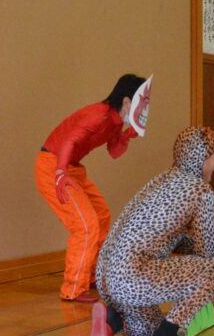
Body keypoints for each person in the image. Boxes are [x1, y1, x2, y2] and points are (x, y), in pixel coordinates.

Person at [89, 126, 214, 336]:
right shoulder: (200, 190)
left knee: (148, 331)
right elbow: (205, 252)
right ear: (203, 159)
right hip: (133, 277)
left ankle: (113, 320)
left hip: (107, 279)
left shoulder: (161, 180)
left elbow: (164, 238)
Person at [34, 74, 145, 302]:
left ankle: (91, 275)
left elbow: (114, 151)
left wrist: (127, 135)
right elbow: (69, 141)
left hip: (72, 167)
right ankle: (73, 288)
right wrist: (60, 173)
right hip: (53, 165)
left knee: (102, 215)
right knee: (85, 226)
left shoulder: (115, 121)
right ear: (127, 101)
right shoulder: (98, 115)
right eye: (140, 103)